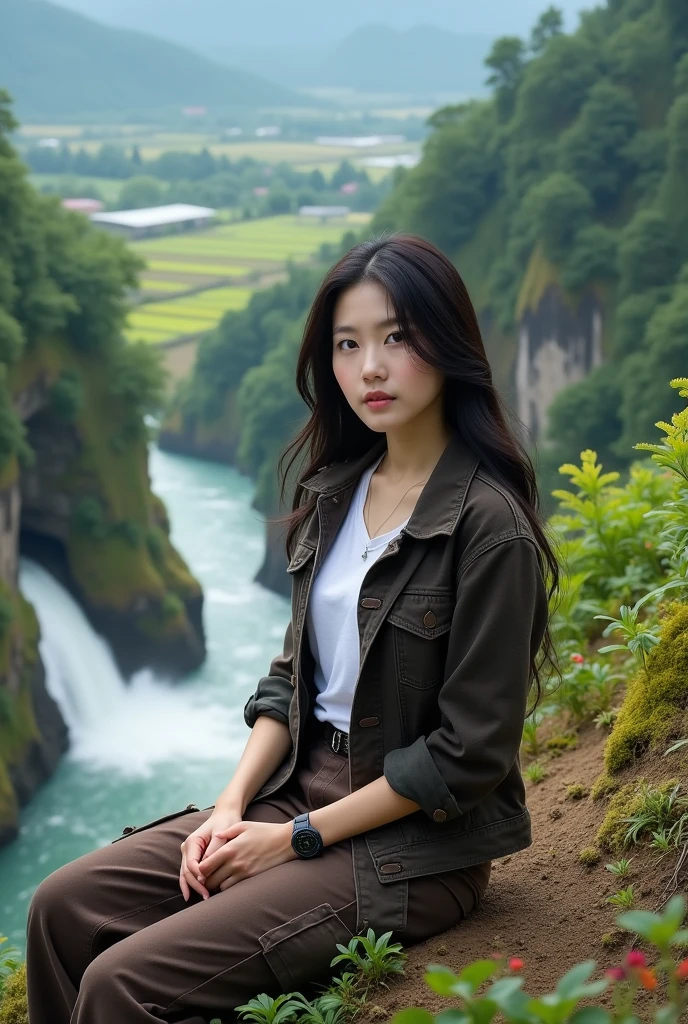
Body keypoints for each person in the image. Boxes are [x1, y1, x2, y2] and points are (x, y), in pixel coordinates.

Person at [25, 233, 561, 1023]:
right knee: (59, 906)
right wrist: (234, 806)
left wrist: (296, 840)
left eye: (397, 339)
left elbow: (467, 756)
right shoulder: (337, 493)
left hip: (412, 848)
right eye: (349, 345)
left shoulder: (490, 529)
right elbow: (288, 682)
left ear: (449, 347)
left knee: (121, 983)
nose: (370, 368)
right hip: (292, 796)